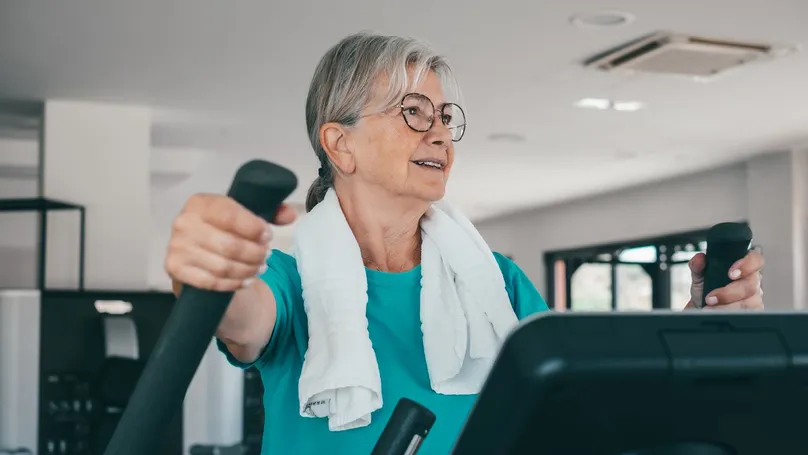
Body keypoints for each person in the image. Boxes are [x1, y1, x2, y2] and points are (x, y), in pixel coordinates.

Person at [164, 32, 764, 455]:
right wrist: (210, 265)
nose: (441, 133)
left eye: (446, 116)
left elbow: (588, 393)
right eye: (414, 112)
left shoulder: (495, 281)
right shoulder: (291, 285)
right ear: (340, 145)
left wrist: (700, 326)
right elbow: (238, 315)